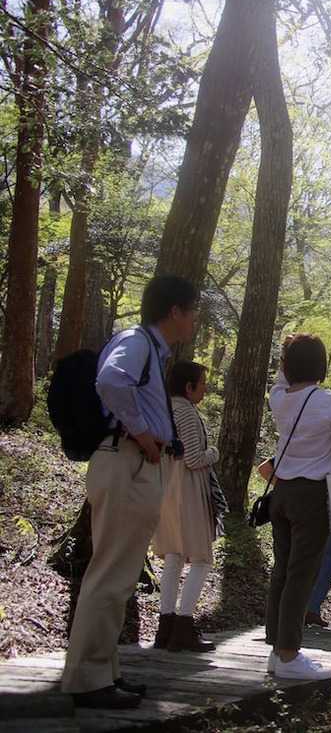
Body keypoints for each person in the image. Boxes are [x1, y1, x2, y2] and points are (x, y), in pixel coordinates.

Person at [61, 274, 198, 709]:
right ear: (174, 310)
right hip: (126, 461)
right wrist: (140, 433)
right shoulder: (137, 342)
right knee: (111, 573)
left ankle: (104, 671)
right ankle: (87, 679)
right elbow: (111, 381)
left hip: (135, 464)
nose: (195, 318)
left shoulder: (152, 351)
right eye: (192, 309)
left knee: (118, 574)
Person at [264, 333, 331, 680]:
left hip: (282, 492)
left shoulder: (279, 398)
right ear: (322, 364)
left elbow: (279, 381)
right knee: (302, 575)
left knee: (282, 572)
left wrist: (284, 355)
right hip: (313, 496)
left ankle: (276, 651)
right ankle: (289, 655)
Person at [152, 361, 223, 653]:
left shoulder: (163, 408)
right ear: (188, 386)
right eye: (202, 384)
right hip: (189, 490)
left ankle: (165, 625)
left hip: (165, 487)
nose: (205, 389)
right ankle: (183, 624)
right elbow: (193, 458)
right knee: (201, 559)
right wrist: (214, 453)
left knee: (173, 556)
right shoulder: (187, 414)